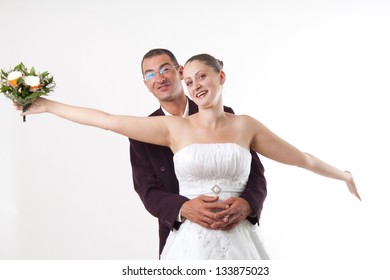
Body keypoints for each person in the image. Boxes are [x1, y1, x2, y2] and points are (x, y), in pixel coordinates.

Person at [16, 53, 360, 259]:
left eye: (202, 77)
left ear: (220, 77)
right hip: (189, 242)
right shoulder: (173, 130)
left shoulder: (246, 126)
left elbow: (302, 158)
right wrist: (46, 105)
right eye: (190, 79)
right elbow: (107, 121)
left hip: (239, 238)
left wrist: (344, 175)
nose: (195, 85)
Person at [129, 49, 267, 257]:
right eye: (150, 74)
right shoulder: (142, 131)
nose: (159, 78)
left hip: (235, 234)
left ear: (180, 72)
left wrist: (248, 203)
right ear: (146, 84)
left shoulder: (224, 114)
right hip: (182, 239)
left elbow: (255, 172)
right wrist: (183, 208)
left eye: (165, 69)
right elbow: (147, 190)